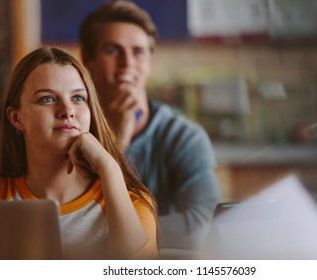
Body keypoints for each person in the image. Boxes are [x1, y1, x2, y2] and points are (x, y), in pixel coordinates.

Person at [0, 47, 158, 260]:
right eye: (47, 99)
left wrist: (110, 169)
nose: (67, 110)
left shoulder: (133, 204)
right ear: (16, 118)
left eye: (78, 98)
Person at [79, 0, 221, 251]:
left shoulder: (185, 137)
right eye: (113, 50)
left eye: (138, 51)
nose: (127, 62)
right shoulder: (72, 132)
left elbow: (203, 226)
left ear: (150, 62)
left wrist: (119, 235)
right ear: (88, 59)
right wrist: (119, 140)